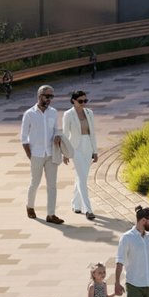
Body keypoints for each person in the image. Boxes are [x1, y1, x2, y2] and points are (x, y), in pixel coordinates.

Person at [21, 83, 66, 225]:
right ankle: (30, 206)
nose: (49, 99)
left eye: (52, 96)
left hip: (51, 154)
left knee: (52, 185)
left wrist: (58, 136)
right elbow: (23, 138)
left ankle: (51, 214)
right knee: (35, 182)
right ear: (39, 96)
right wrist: (30, 155)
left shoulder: (53, 112)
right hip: (36, 155)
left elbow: (56, 129)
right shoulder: (29, 114)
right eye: (47, 96)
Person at [60, 89, 99, 221]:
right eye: (80, 101)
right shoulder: (68, 114)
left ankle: (76, 204)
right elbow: (65, 134)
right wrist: (65, 152)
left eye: (85, 100)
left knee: (81, 176)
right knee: (83, 179)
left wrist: (95, 151)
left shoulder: (89, 113)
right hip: (75, 148)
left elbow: (92, 133)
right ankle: (88, 209)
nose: (83, 103)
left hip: (87, 145)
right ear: (73, 101)